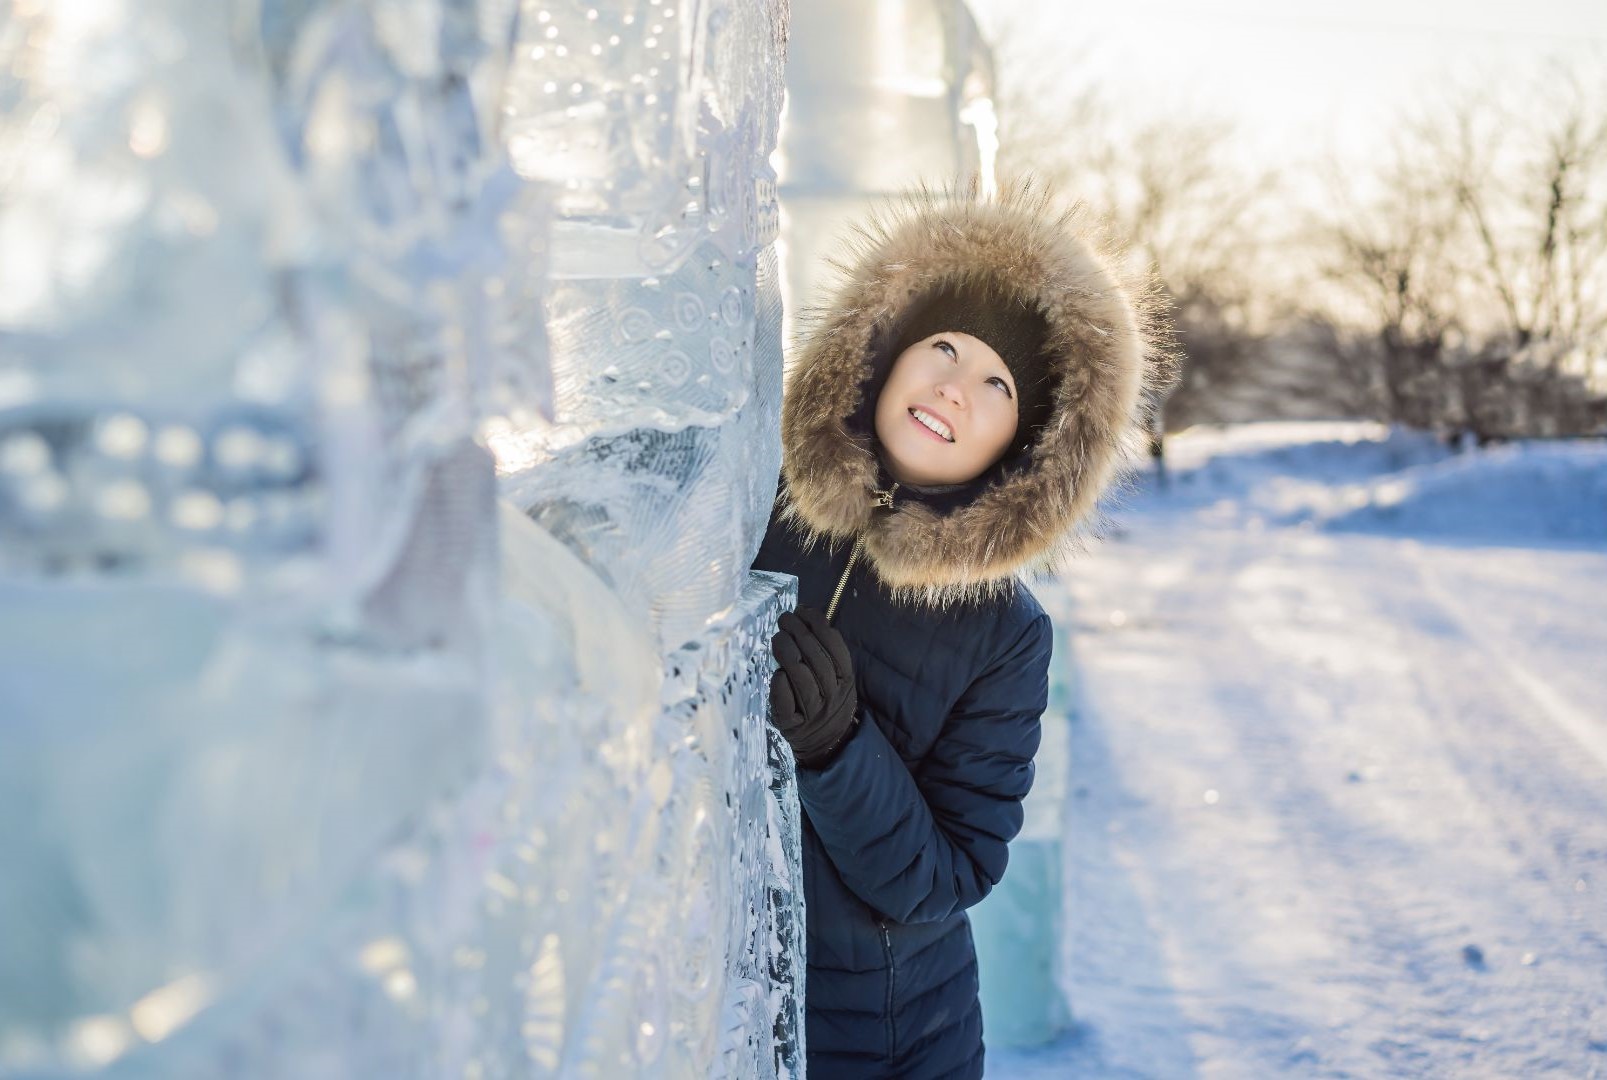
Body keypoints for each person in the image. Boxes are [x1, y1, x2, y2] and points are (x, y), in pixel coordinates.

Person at [750, 176, 1168, 1078]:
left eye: (997, 382)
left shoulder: (1005, 636)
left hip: (877, 1036)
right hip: (705, 991)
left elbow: (948, 876)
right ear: (882, 353)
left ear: (1028, 443)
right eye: (941, 344)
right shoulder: (751, 504)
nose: (953, 387)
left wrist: (837, 749)